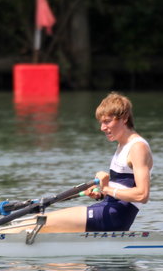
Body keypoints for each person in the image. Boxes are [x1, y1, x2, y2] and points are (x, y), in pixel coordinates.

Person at [39, 92, 153, 233]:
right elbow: (123, 188)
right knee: (38, 222)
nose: (102, 128)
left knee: (40, 221)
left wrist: (106, 189)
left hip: (115, 216)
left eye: (107, 121)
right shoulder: (122, 145)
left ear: (124, 119)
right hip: (108, 209)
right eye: (101, 123)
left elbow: (142, 195)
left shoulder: (138, 148)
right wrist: (100, 193)